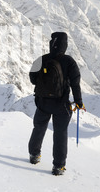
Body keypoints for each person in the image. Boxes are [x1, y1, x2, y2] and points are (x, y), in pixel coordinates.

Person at [28, 32, 84, 176]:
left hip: (42, 102)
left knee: (39, 127)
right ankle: (58, 166)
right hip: (61, 104)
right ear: (64, 45)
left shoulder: (41, 59)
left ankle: (34, 155)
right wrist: (78, 102)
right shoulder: (69, 61)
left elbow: (33, 79)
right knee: (60, 133)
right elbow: (75, 84)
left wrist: (45, 86)